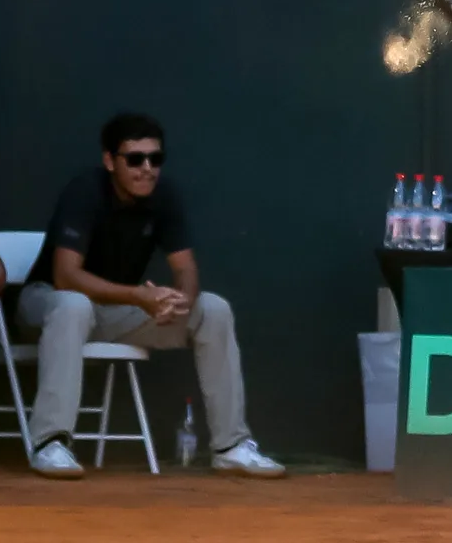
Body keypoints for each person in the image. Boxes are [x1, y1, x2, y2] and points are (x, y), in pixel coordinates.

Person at [18, 113, 284, 480]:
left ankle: (230, 446)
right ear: (110, 161)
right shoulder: (85, 190)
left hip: (114, 311)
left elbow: (185, 269)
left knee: (213, 309)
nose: (147, 169)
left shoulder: (164, 196)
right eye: (135, 159)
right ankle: (49, 443)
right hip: (48, 302)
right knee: (74, 304)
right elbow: (66, 276)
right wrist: (138, 297)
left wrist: (181, 302)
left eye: (155, 159)